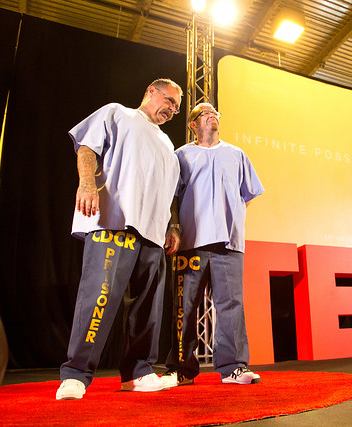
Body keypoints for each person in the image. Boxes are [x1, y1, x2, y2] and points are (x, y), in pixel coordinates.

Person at [56, 78, 183, 400]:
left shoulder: (168, 144)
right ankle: (76, 374)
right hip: (115, 223)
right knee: (99, 297)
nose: (172, 109)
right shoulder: (118, 113)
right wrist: (86, 183)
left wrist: (172, 225)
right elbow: (87, 147)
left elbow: (167, 190)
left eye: (177, 107)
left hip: (152, 233)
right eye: (169, 100)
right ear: (151, 91)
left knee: (148, 308)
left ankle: (139, 373)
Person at [162, 102, 264, 387]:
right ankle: (181, 368)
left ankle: (233, 367)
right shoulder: (181, 155)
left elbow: (248, 193)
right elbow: (171, 197)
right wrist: (174, 228)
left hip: (229, 244)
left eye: (215, 113)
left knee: (231, 305)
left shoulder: (237, 154)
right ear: (193, 124)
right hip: (190, 244)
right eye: (205, 113)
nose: (212, 116)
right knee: (184, 307)